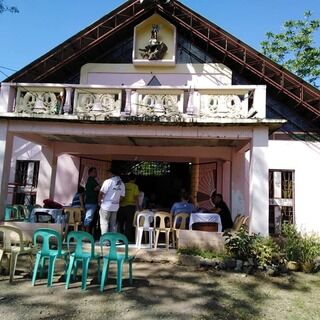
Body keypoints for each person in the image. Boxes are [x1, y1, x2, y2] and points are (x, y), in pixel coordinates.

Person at [98, 167, 125, 235]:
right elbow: (122, 197)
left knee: (104, 223)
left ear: (111, 173)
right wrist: (116, 201)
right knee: (113, 224)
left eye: (108, 173)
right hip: (115, 206)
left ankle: (105, 241)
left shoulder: (108, 181)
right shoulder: (122, 184)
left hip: (106, 206)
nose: (107, 175)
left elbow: (101, 193)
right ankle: (112, 240)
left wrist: (99, 202)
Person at [117, 174, 140, 242]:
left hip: (121, 206)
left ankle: (120, 239)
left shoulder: (123, 185)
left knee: (120, 223)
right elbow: (136, 197)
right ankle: (126, 239)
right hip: (130, 207)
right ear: (134, 179)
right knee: (128, 224)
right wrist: (138, 207)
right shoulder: (135, 186)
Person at [84, 167, 100, 233]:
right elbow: (98, 188)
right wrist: (100, 184)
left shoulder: (88, 181)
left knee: (89, 218)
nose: (96, 173)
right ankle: (86, 234)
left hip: (88, 202)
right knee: (88, 218)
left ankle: (87, 233)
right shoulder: (92, 180)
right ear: (90, 173)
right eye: (94, 172)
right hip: (92, 202)